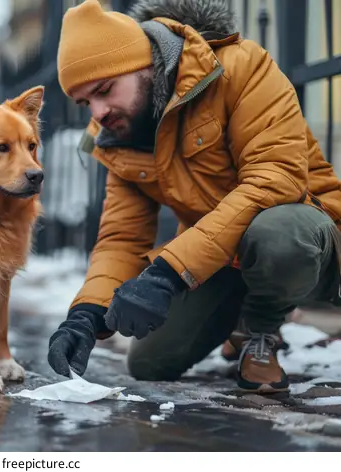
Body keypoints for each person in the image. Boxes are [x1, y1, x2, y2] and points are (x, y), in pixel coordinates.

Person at [47, 0, 341, 394]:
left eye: (103, 90)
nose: (98, 112)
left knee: (275, 236)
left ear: (145, 64)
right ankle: (238, 315)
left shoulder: (241, 67)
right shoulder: (122, 134)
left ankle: (261, 329)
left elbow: (277, 179)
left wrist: (167, 273)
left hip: (308, 234)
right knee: (150, 362)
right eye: (85, 102)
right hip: (221, 256)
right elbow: (122, 237)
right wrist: (85, 314)